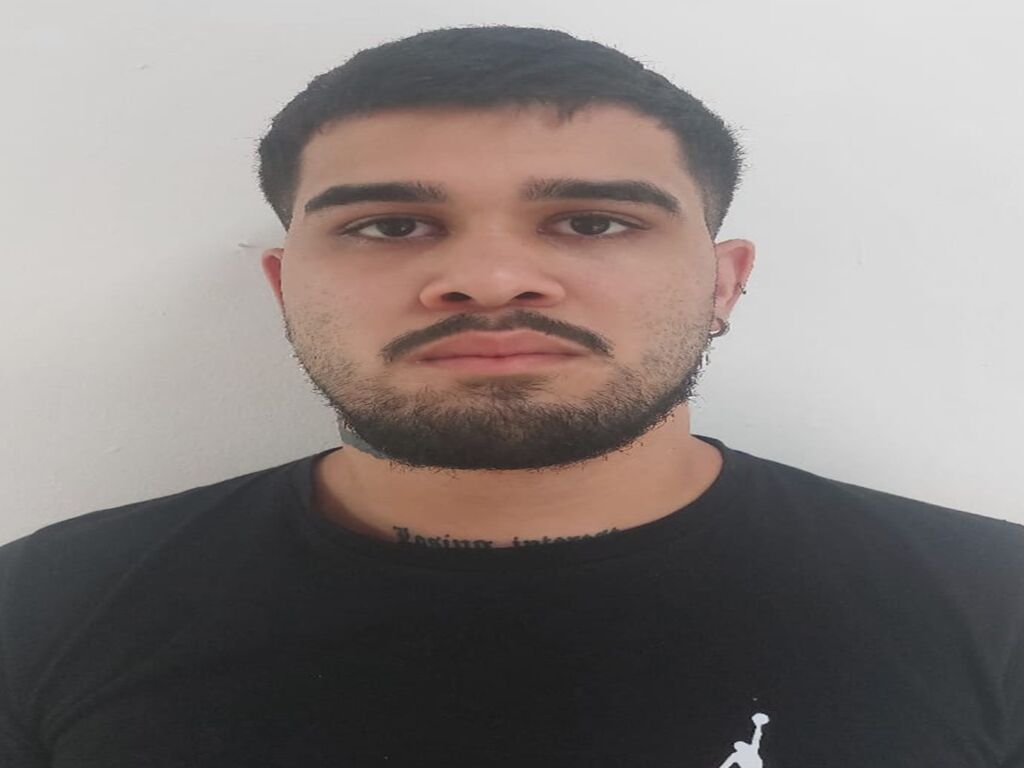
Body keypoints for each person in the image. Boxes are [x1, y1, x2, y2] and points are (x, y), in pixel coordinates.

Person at [1, 24, 1021, 767]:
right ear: (283, 285)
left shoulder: (997, 607)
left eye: (593, 222)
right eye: (389, 226)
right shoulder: (40, 609)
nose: (489, 281)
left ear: (724, 283)